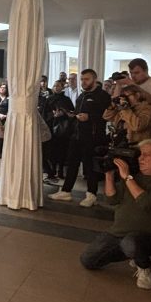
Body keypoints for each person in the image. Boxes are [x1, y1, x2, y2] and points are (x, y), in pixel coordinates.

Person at [79, 140, 151, 289]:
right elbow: (112, 199)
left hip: (148, 236)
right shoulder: (133, 177)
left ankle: (144, 267)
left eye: (146, 155)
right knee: (88, 260)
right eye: (139, 155)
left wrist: (127, 177)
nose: (140, 159)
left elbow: (148, 203)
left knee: (130, 242)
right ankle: (133, 253)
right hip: (118, 232)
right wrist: (109, 175)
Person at [49, 69, 110, 206]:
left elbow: (106, 116)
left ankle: (91, 194)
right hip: (76, 134)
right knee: (72, 163)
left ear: (94, 79)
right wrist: (71, 115)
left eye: (86, 79)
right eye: (82, 79)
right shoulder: (82, 96)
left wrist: (90, 117)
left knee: (90, 166)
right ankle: (66, 191)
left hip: (93, 136)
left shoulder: (102, 96)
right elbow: (77, 112)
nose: (83, 82)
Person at [116, 58, 151, 140]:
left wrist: (131, 83)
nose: (133, 76)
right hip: (128, 133)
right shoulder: (130, 85)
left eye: (137, 73)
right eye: (131, 73)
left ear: (146, 71)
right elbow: (116, 102)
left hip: (149, 134)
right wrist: (118, 84)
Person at [43, 80, 74, 184]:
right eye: (55, 86)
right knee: (52, 150)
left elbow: (71, 112)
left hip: (63, 129)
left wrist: (63, 113)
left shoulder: (66, 99)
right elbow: (44, 113)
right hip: (51, 127)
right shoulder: (49, 99)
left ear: (62, 87)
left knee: (62, 150)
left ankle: (60, 170)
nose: (56, 87)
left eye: (58, 86)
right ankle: (52, 170)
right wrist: (53, 115)